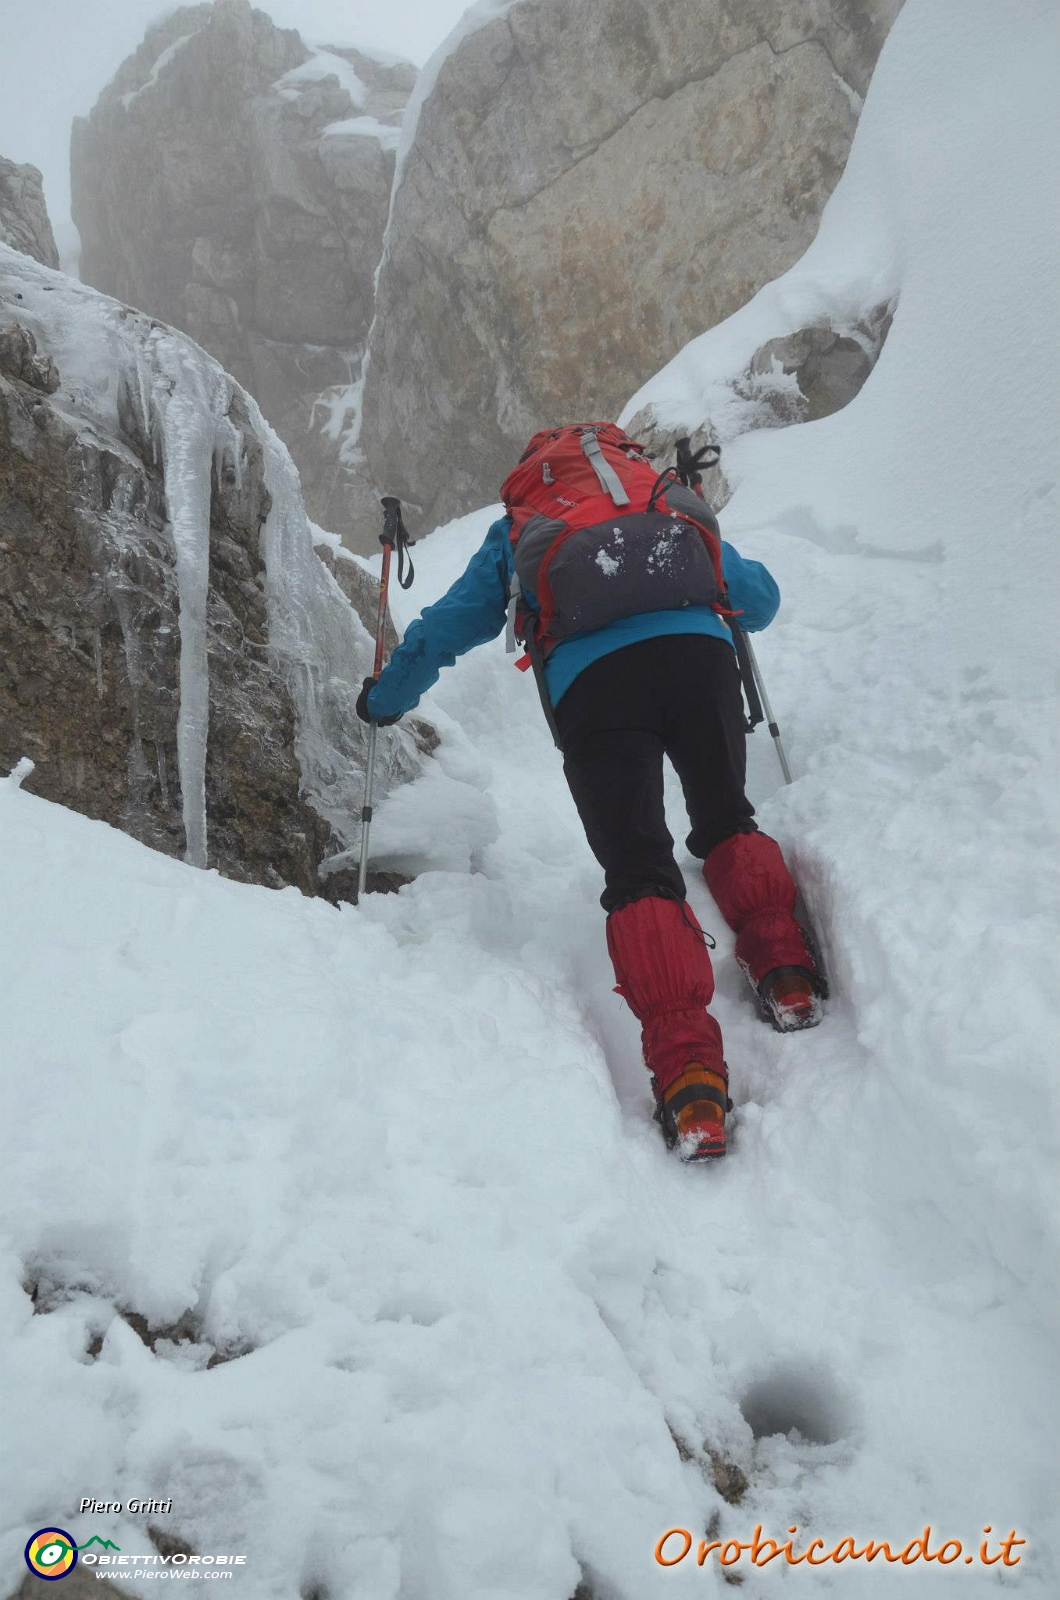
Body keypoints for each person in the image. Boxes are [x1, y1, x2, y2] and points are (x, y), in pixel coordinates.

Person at [356, 423, 824, 1161]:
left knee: (639, 868)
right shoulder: (657, 497)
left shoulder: (523, 525)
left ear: (536, 470)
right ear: (613, 453)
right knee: (728, 815)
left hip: (595, 689)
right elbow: (756, 601)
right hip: (701, 659)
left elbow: (445, 629)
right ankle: (787, 973)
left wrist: (387, 697)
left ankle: (692, 1081)